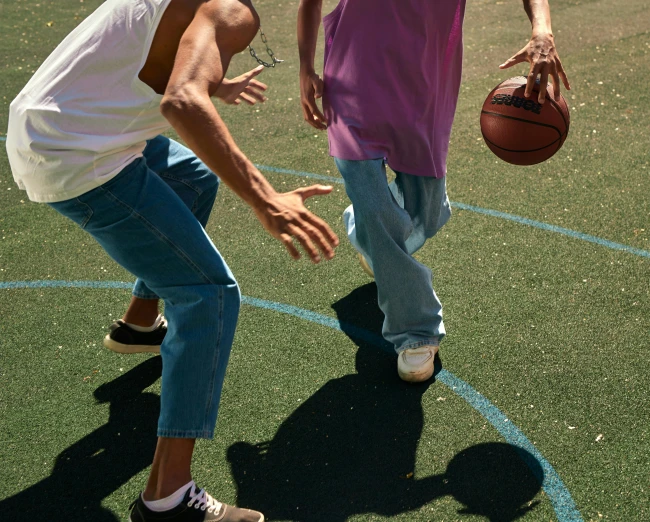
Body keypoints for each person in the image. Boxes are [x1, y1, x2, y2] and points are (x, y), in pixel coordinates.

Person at [6, 0, 340, 520]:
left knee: (192, 178)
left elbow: (154, 64)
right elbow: (181, 101)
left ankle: (139, 325)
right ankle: (167, 499)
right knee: (208, 294)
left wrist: (215, 85)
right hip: (76, 152)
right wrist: (266, 199)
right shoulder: (232, 10)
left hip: (50, 123)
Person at [297, 0, 570, 382]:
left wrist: (542, 29)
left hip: (425, 83)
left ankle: (368, 233)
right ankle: (416, 332)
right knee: (379, 213)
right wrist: (305, 67)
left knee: (426, 214)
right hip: (352, 78)